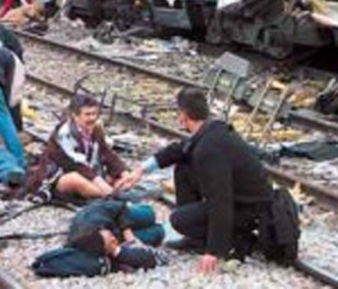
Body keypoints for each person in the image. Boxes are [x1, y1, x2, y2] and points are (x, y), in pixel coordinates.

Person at [116, 87, 274, 274]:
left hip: (250, 210)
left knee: (179, 220)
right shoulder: (212, 130)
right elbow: (179, 150)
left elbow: (220, 200)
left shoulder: (209, 150)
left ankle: (236, 238)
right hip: (242, 199)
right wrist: (140, 170)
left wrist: (214, 251)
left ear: (183, 116)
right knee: (183, 166)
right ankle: (197, 239)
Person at [44, 94, 128, 200]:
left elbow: (106, 153)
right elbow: (76, 165)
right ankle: (111, 196)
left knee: (119, 178)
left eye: (94, 114)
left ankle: (112, 194)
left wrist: (123, 172)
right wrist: (100, 183)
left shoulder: (96, 128)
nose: (92, 118)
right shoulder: (64, 134)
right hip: (63, 175)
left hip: (89, 172)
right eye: (87, 114)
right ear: (75, 116)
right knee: (76, 180)